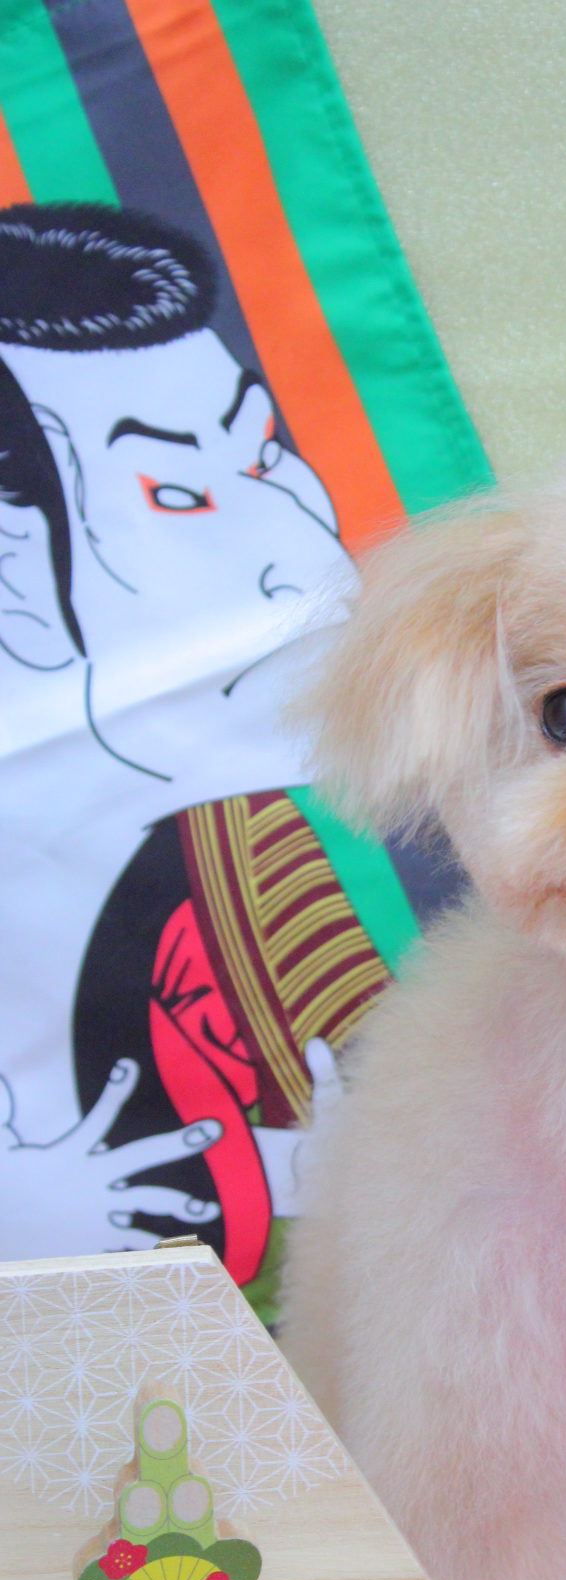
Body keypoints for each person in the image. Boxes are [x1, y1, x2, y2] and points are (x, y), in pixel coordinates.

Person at [0, 201, 401, 1292]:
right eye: (174, 493)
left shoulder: (242, 866)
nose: (310, 562)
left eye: (265, 456)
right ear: (15, 564)